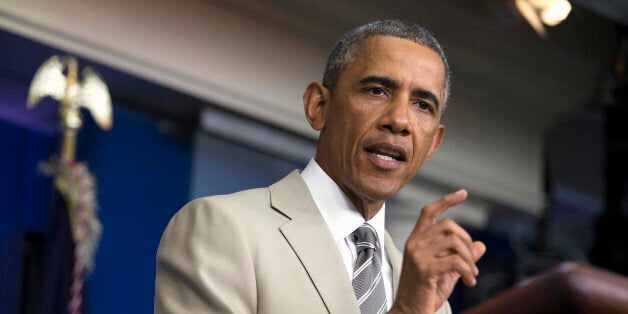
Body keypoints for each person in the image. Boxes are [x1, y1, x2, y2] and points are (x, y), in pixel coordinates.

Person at [155, 19, 486, 314]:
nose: (399, 120)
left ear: (432, 144)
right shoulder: (224, 228)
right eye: (377, 90)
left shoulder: (431, 301)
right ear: (318, 106)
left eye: (422, 105)